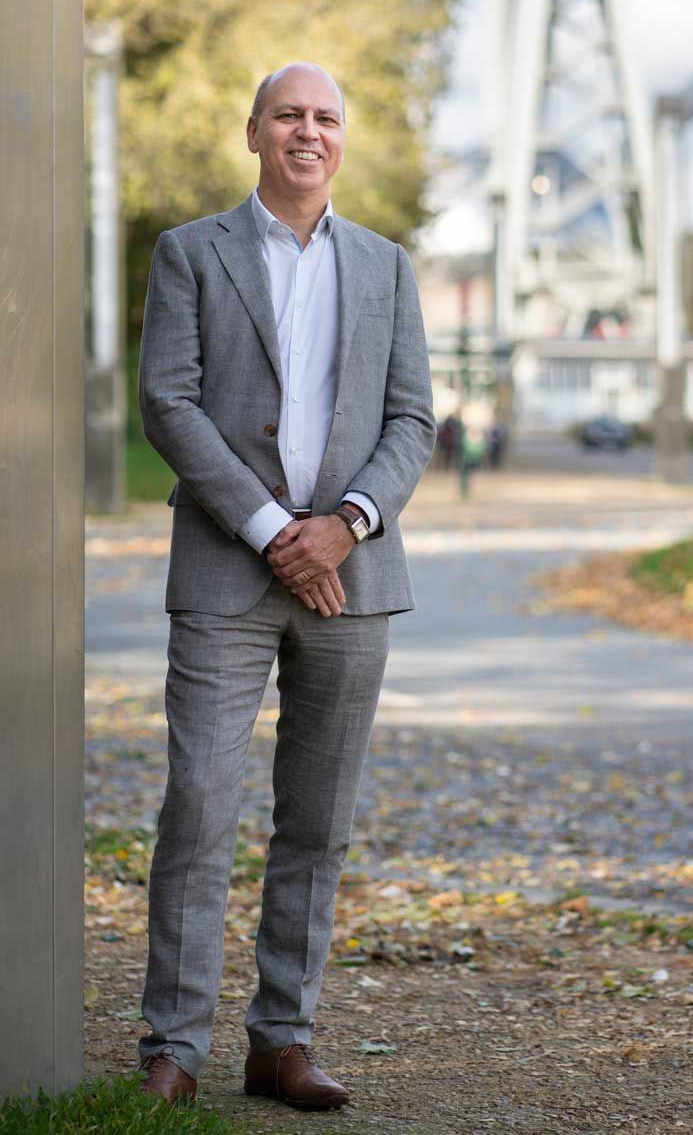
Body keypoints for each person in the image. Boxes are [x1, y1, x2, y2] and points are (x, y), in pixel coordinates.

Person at [134, 62, 436, 1110]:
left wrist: (344, 525)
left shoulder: (387, 264)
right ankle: (174, 1045)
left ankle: (282, 1040)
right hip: (227, 568)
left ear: (341, 138)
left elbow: (412, 418)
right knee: (200, 803)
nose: (309, 131)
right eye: (289, 115)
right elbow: (168, 403)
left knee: (317, 817)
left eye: (326, 117)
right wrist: (274, 531)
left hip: (354, 577)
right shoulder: (191, 252)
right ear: (254, 130)